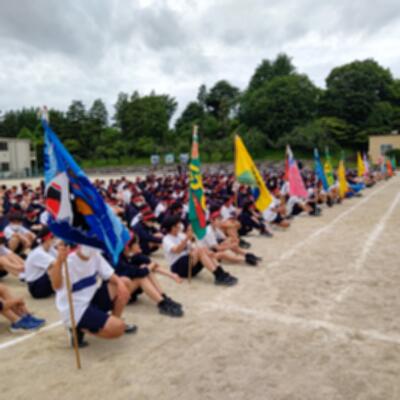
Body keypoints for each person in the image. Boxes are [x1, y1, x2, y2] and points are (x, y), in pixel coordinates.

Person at [48, 242, 137, 348]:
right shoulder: (68, 261)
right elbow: (56, 286)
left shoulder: (95, 255)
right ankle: (79, 328)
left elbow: (109, 274)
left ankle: (113, 319)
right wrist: (59, 261)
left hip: (90, 298)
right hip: (75, 309)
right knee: (118, 328)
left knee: (125, 282)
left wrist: (120, 284)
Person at [115, 235, 183, 317]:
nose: (138, 245)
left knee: (145, 268)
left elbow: (152, 265)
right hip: (121, 296)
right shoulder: (119, 261)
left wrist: (172, 275)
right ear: (127, 247)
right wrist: (150, 266)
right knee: (142, 277)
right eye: (136, 243)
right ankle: (162, 303)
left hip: (131, 289)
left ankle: (163, 297)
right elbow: (142, 272)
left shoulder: (133, 255)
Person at [162, 215, 238, 286]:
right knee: (200, 250)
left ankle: (220, 272)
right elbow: (177, 250)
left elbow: (192, 247)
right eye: (177, 224)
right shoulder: (167, 239)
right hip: (178, 267)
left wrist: (205, 251)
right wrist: (187, 238)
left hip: (189, 263)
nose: (179, 226)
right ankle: (218, 276)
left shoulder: (180, 235)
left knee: (204, 249)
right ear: (172, 227)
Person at [25, 227, 61, 299]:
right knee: (54, 268)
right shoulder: (38, 252)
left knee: (59, 268)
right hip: (36, 288)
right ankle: (60, 290)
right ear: (47, 238)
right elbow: (58, 263)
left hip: (41, 281)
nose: (56, 239)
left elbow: (64, 259)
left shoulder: (50, 249)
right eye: (53, 237)